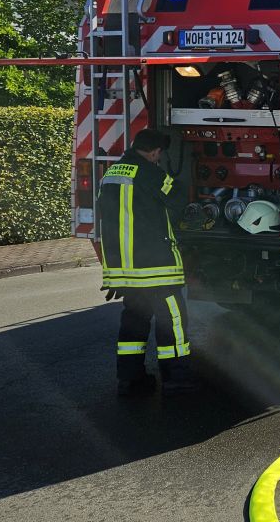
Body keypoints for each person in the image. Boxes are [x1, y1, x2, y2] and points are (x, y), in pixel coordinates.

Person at [96, 128, 198, 396]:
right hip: (156, 268)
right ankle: (176, 379)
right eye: (158, 155)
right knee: (172, 322)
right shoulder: (151, 173)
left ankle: (129, 379)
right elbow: (178, 199)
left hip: (125, 271)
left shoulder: (111, 174)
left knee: (133, 324)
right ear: (154, 152)